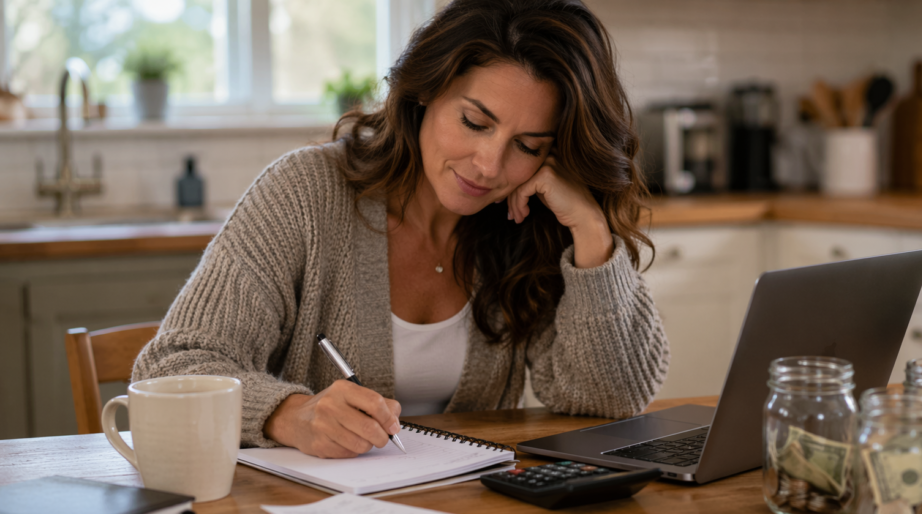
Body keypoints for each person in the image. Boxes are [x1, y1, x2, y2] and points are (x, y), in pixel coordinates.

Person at [133, 0, 669, 459]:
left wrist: (592, 233)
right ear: (424, 93)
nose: (488, 164)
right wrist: (290, 415)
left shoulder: (531, 224)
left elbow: (611, 400)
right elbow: (170, 369)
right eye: (475, 123)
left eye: (527, 145)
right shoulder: (305, 193)